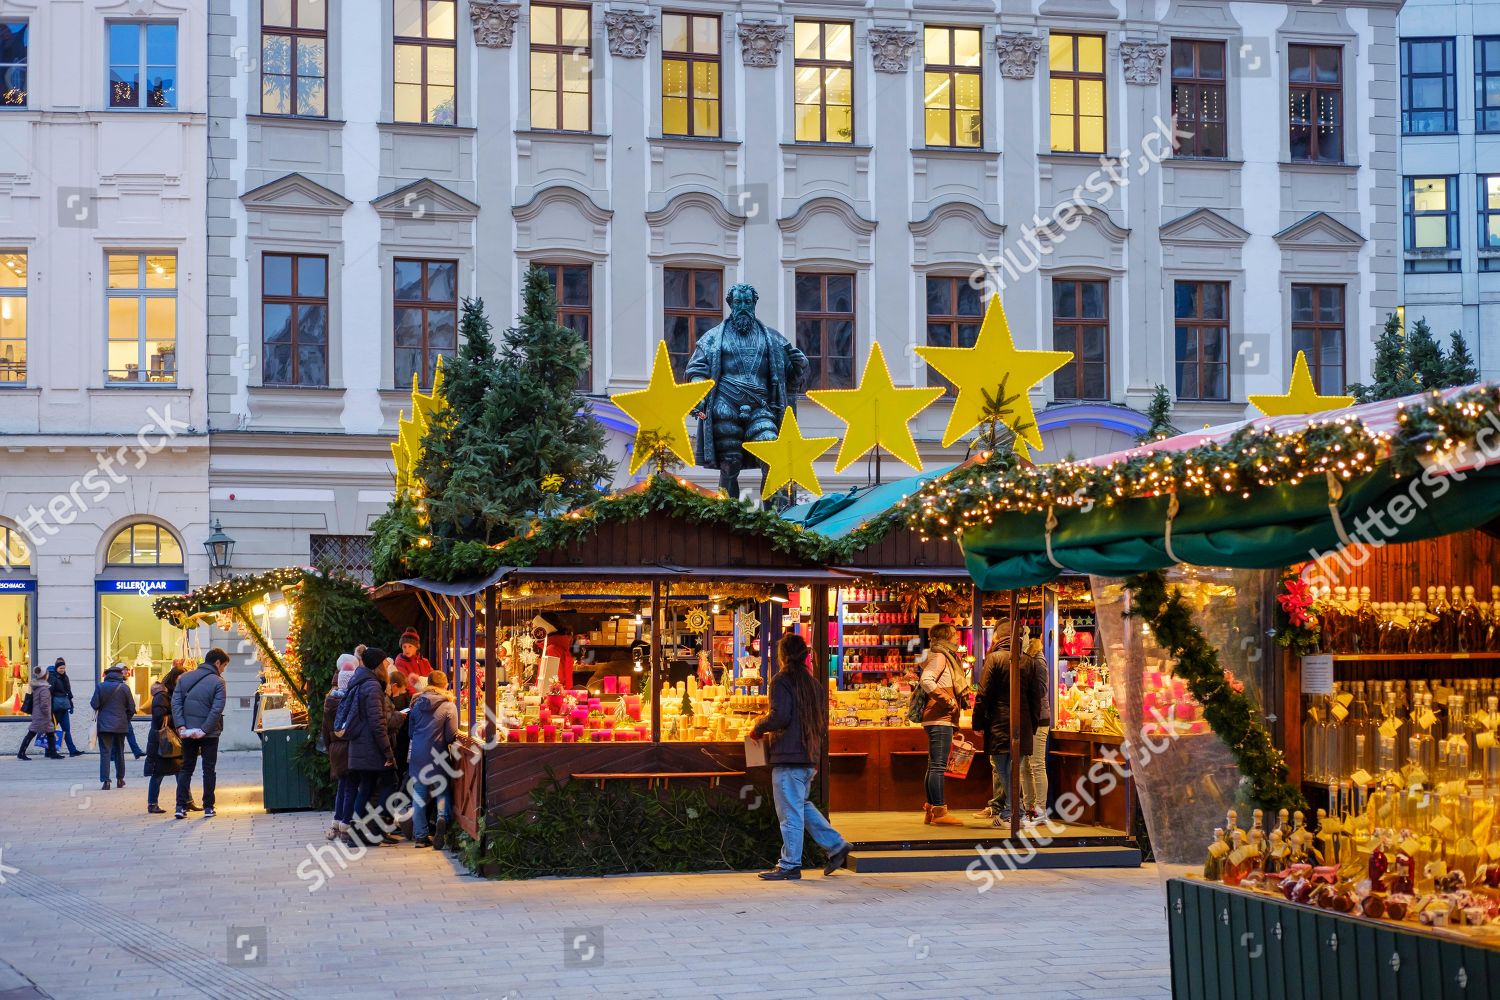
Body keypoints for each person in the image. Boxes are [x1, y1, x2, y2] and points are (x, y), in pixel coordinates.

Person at [750, 633, 851, 881]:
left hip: (789, 756)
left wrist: (759, 725)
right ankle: (836, 845)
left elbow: (780, 716)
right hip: (807, 756)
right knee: (801, 806)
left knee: (790, 813)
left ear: (783, 656)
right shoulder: (813, 684)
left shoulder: (782, 680)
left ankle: (790, 864)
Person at [341, 646, 397, 848]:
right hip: (370, 747)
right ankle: (372, 830)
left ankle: (358, 832)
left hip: (361, 746)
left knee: (366, 787)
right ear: (377, 665)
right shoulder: (372, 686)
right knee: (388, 783)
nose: (386, 666)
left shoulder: (361, 681)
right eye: (384, 663)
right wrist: (387, 751)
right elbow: (377, 722)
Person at [918, 622, 969, 827]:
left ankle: (931, 809)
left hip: (937, 718)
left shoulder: (938, 655)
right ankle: (940, 811)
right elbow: (927, 680)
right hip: (940, 718)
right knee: (938, 766)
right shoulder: (940, 657)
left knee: (933, 766)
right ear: (945, 638)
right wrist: (948, 701)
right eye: (954, 636)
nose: (957, 640)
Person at [172, 648, 229, 819]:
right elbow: (217, 709)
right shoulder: (218, 682)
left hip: (188, 732)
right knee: (208, 769)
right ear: (217, 663)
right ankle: (208, 807)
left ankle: (180, 806)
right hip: (209, 734)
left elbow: (176, 704)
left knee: (186, 768)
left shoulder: (184, 678)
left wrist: (181, 726)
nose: (224, 669)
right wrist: (204, 729)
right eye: (224, 665)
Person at [407, 669, 459, 848]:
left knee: (419, 793)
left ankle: (421, 836)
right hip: (438, 754)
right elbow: (451, 735)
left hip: (418, 755)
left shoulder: (416, 703)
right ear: (445, 685)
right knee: (442, 789)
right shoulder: (449, 705)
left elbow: (410, 733)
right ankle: (442, 818)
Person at [971, 624, 1017, 823]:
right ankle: (1010, 809)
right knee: (1013, 768)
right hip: (1019, 724)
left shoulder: (994, 658)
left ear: (997, 637)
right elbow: (1036, 695)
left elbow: (983, 694)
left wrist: (978, 723)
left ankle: (1015, 810)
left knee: (1002, 768)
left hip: (998, 722)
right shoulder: (1026, 658)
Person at [322, 657, 357, 841]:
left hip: (335, 748)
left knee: (342, 786)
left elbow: (325, 731)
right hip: (348, 747)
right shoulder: (351, 701)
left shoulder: (330, 701)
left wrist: (330, 748)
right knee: (350, 786)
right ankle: (345, 825)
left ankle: (336, 822)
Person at [1018, 637, 1052, 826]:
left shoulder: (1038, 661)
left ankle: (1040, 809)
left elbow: (1040, 690)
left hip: (1039, 718)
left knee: (1037, 764)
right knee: (1025, 766)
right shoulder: (1027, 660)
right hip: (1028, 717)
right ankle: (1029, 806)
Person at [91, 662, 137, 789]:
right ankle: (120, 779)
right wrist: (125, 719)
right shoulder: (124, 688)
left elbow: (94, 704)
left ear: (107, 675)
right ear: (120, 675)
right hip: (121, 725)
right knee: (119, 752)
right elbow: (132, 708)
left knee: (105, 753)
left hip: (104, 725)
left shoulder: (100, 687)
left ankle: (106, 781)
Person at [143, 676, 182, 814]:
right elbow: (159, 717)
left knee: (180, 771)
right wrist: (174, 717)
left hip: (166, 740)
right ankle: (152, 804)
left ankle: (185, 801)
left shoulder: (167, 696)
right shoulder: (162, 697)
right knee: (158, 773)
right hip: (161, 740)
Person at [17, 665, 62, 760]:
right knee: (31, 733)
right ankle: (21, 753)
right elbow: (44, 705)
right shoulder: (44, 689)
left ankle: (53, 753)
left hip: (38, 715)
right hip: (43, 717)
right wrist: (48, 715)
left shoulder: (38, 688)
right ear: (45, 676)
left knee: (50, 733)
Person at [47, 658, 84, 756]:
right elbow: (49, 693)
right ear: (56, 668)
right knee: (51, 730)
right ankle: (49, 751)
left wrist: (71, 705)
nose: (62, 670)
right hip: (55, 708)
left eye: (63, 668)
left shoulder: (65, 677)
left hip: (64, 707)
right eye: (60, 668)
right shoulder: (53, 677)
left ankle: (72, 751)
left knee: (66, 729)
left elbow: (68, 692)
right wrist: (49, 709)